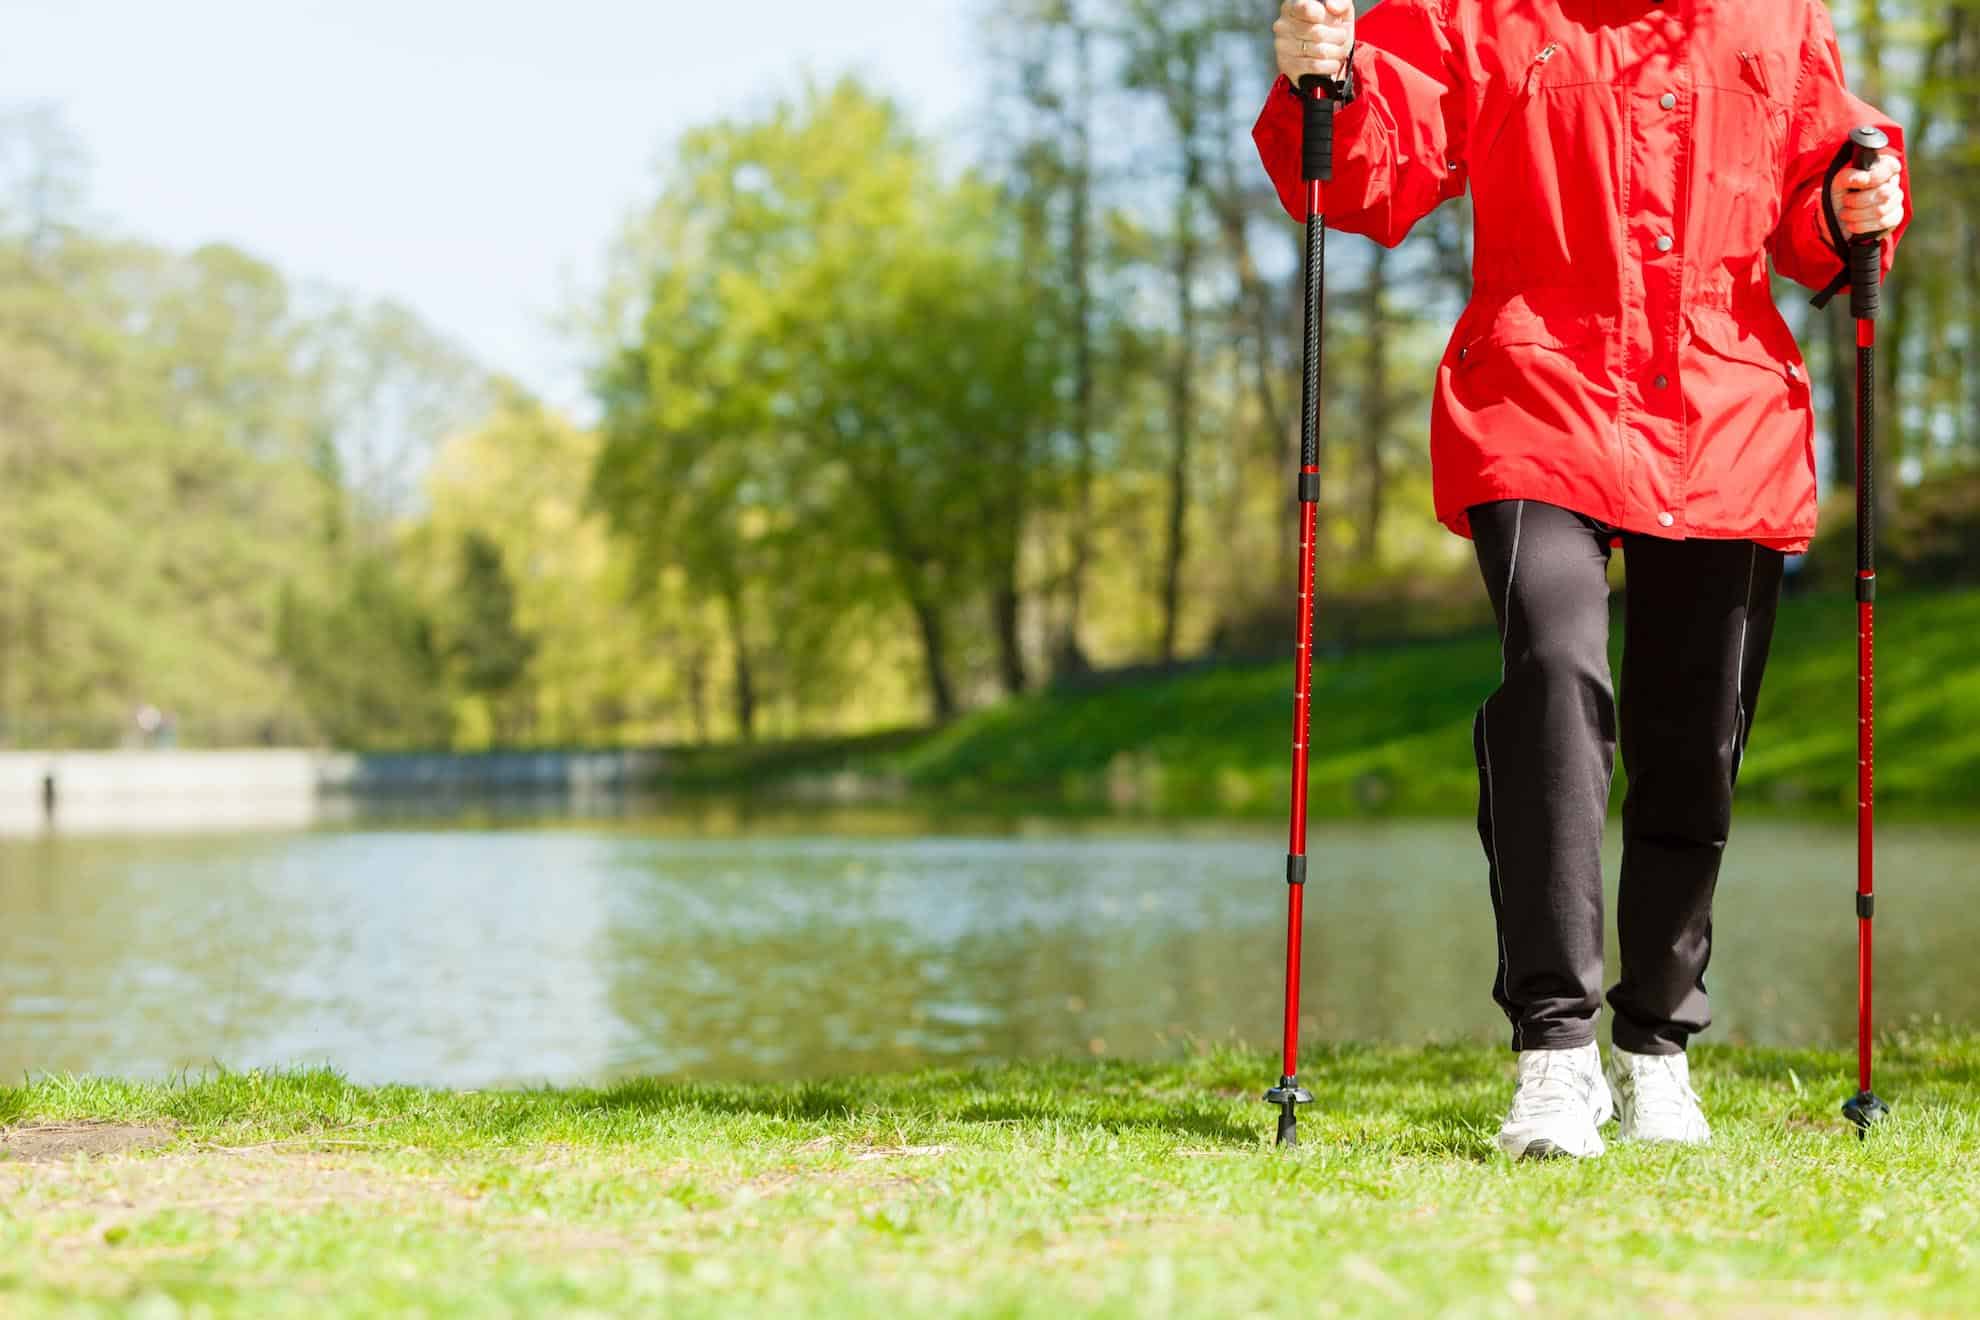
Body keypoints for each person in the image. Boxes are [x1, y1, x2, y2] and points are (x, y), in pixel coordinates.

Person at [1254, 0, 1909, 1158]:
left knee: (1693, 732)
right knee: (1552, 672)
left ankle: (1656, 1048)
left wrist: (1854, 203)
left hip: (1721, 405)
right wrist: (1331, 81)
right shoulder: (1476, 11)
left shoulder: (1773, 15)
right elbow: (1375, 177)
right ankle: (1554, 1053)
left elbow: (1819, 199)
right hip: (1536, 391)